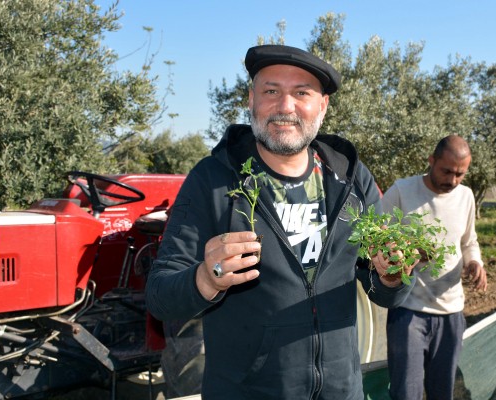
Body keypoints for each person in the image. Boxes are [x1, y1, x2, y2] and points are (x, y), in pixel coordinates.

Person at [145, 44, 415, 400]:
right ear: (251, 99)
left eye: (301, 93)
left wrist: (393, 276)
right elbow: (160, 297)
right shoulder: (213, 179)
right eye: (271, 91)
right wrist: (204, 278)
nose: (285, 107)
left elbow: (384, 290)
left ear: (322, 106)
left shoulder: (351, 179)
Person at [381, 134, 488, 400]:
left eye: (460, 174)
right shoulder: (402, 192)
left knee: (443, 392)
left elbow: (468, 241)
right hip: (408, 312)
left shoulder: (465, 196)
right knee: (407, 392)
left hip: (451, 314)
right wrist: (409, 252)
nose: (452, 180)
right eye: (447, 171)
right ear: (431, 161)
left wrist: (475, 261)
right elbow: (377, 238)